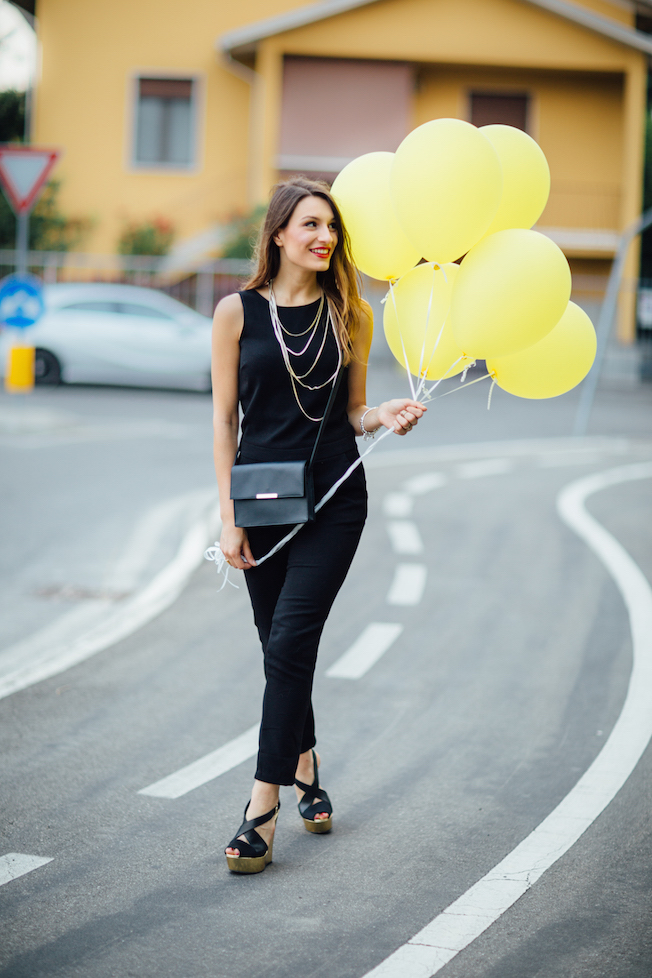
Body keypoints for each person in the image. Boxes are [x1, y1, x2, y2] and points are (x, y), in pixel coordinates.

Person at [211, 176, 425, 874]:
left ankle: (261, 811)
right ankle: (306, 765)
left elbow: (354, 411)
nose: (324, 238)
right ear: (278, 235)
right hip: (261, 502)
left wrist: (384, 414)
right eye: (310, 225)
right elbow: (223, 422)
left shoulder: (351, 314)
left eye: (331, 228)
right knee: (277, 648)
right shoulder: (235, 313)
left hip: (335, 497)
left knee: (292, 640)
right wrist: (227, 519)